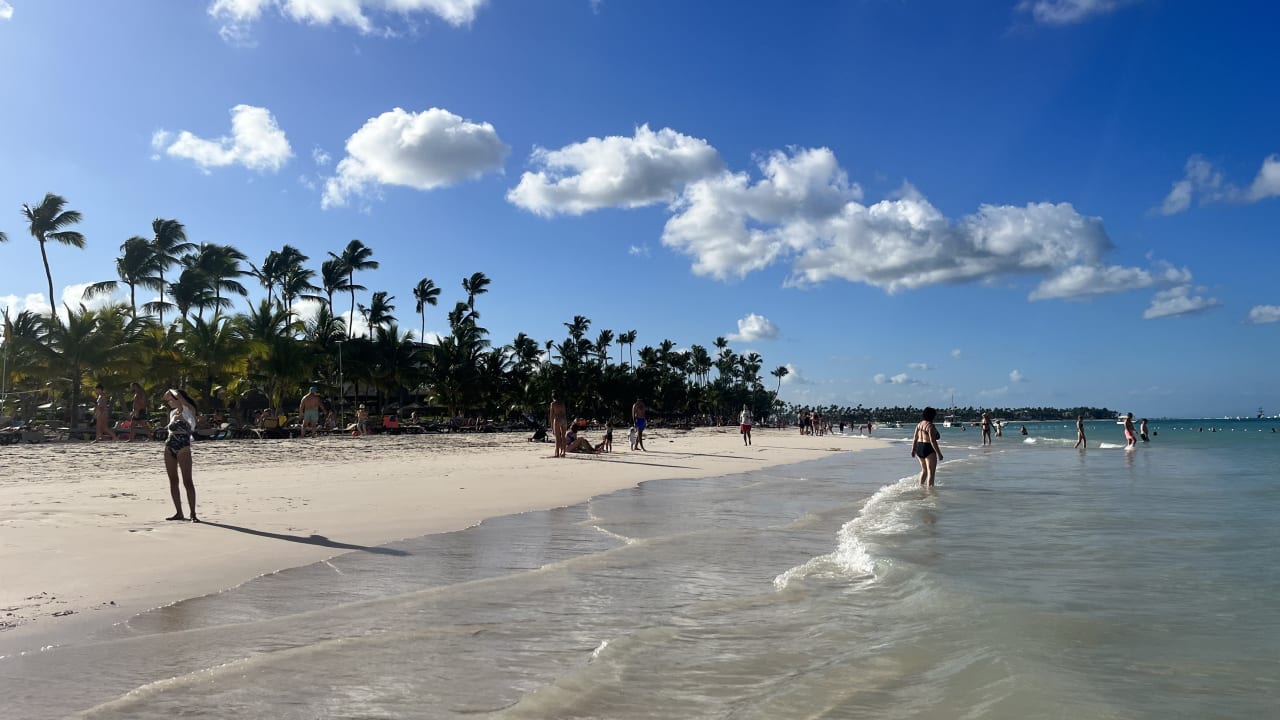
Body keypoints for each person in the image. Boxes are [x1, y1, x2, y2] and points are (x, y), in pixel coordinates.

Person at [162, 388, 199, 522]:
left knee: (187, 481)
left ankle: (193, 514)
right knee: (173, 481)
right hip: (169, 447)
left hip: (183, 447)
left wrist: (171, 391)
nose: (169, 402)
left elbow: (179, 397)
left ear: (178, 399)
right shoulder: (172, 413)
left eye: (172, 400)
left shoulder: (188, 411)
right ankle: (179, 512)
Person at [911, 407, 943, 487]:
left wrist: (913, 449)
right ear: (932, 416)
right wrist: (939, 454)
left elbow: (915, 438)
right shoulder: (930, 426)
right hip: (928, 448)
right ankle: (930, 493)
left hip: (919, 448)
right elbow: (933, 441)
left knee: (924, 470)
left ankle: (920, 487)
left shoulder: (919, 424)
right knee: (931, 473)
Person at [549, 394, 568, 458]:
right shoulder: (562, 403)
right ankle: (563, 452)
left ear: (552, 397)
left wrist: (552, 426)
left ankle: (557, 453)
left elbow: (551, 416)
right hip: (564, 419)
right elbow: (565, 413)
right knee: (563, 436)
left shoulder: (553, 404)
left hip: (557, 419)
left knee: (557, 437)